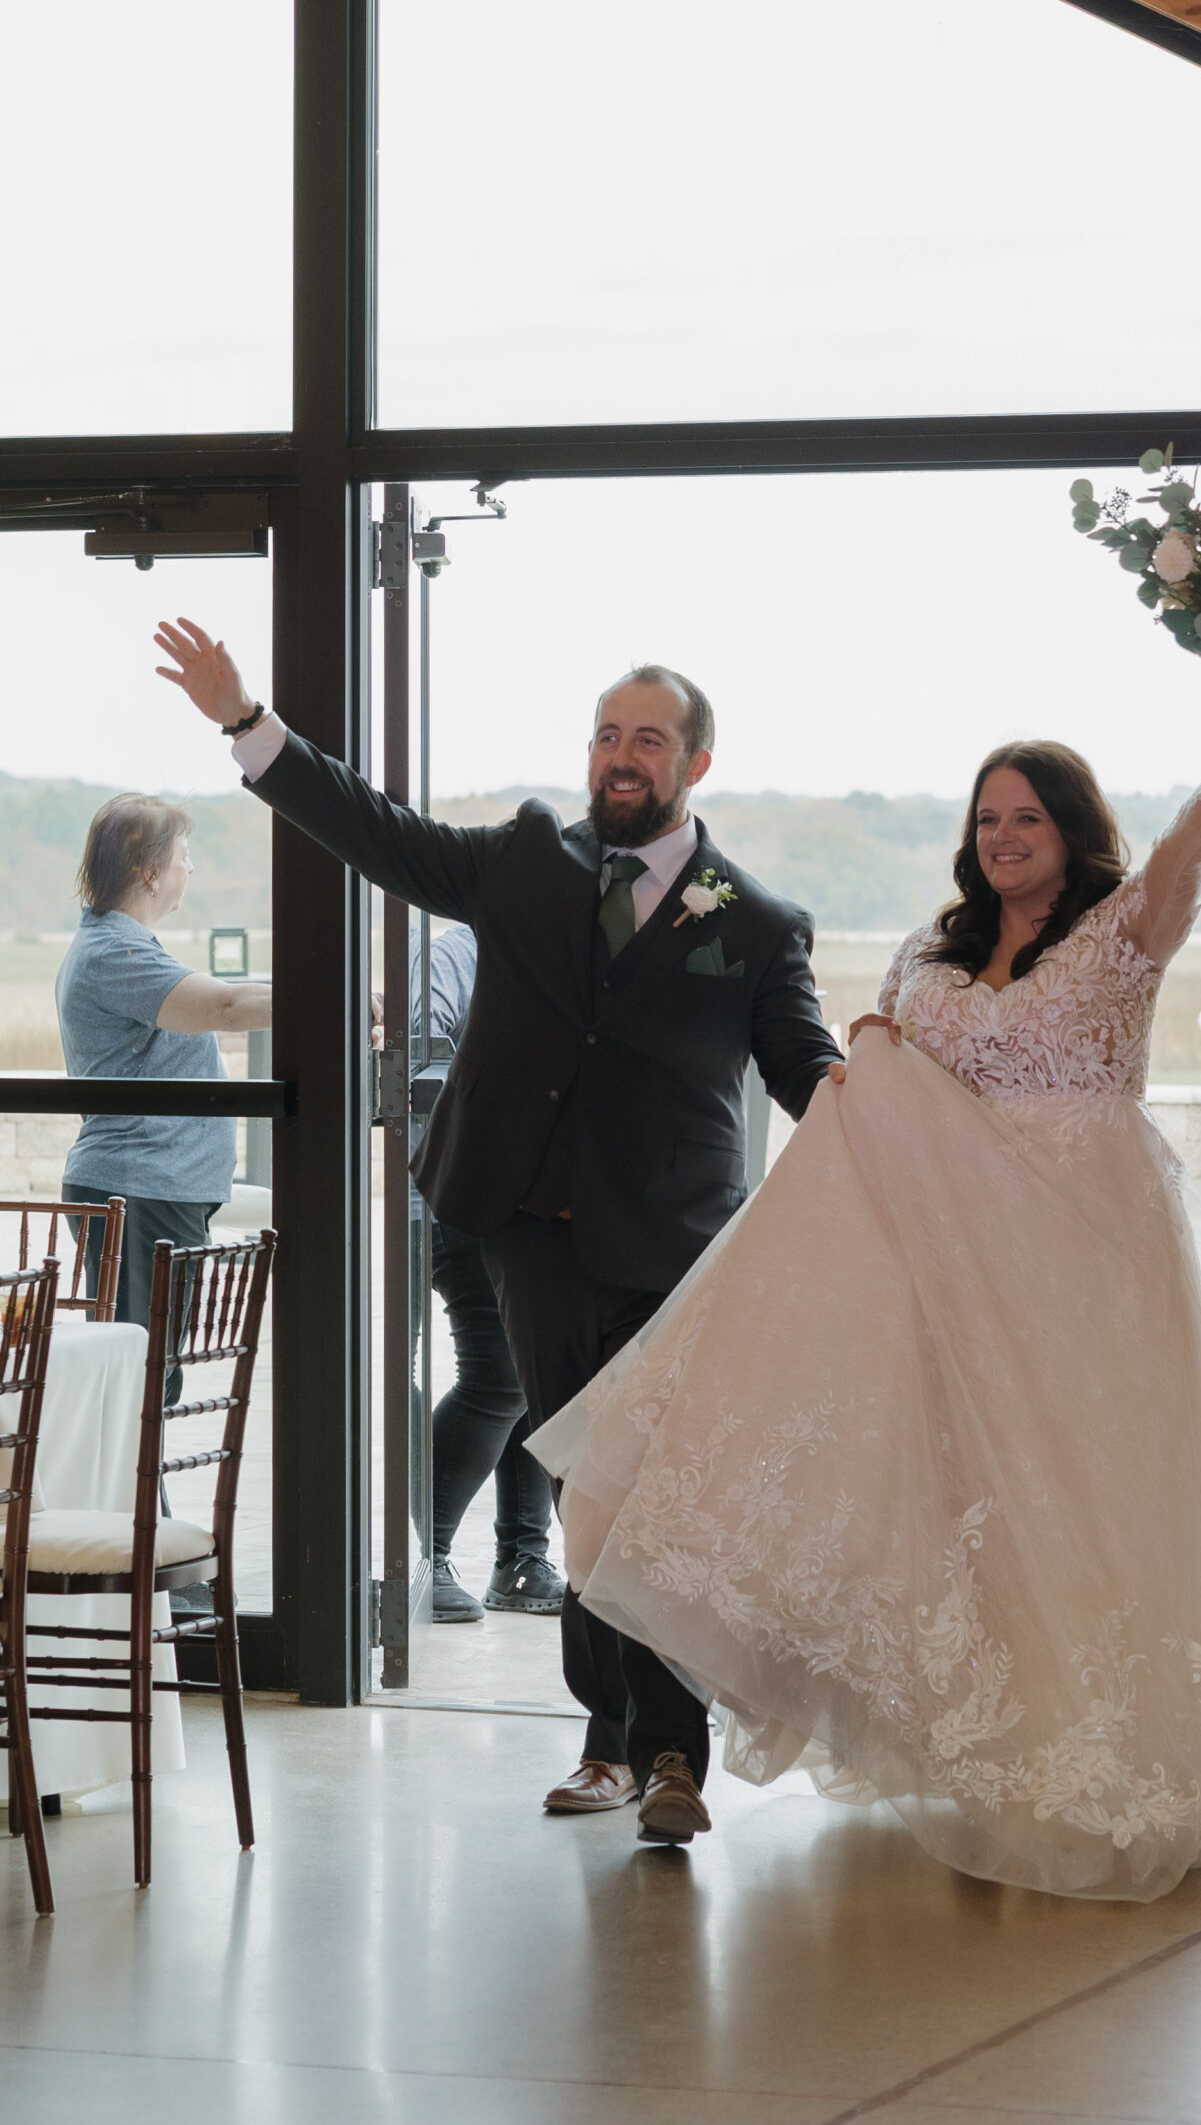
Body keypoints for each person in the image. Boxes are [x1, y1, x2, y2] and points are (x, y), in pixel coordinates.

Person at [530, 659, 1201, 1900]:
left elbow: (1191, 845)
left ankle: (1109, 1756)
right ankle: (986, 1751)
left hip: (1088, 1269)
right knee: (968, 1506)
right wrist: (870, 1060)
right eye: (987, 817)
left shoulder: (1123, 933)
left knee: (1084, 1504)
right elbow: (879, 1080)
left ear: (1072, 830)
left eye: (1028, 816)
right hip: (953, 1276)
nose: (1004, 836)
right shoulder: (932, 947)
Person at [152, 616, 840, 1844]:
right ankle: (613, 1743)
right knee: (591, 1494)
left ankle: (661, 1753)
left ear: (696, 763)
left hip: (676, 1250)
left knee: (658, 1499)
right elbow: (380, 833)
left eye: (649, 738)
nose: (621, 755)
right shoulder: (527, 859)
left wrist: (877, 1104)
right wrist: (249, 724)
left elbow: (802, 1065)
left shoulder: (757, 921)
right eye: (608, 733)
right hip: (534, 1236)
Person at [58, 794, 271, 1357]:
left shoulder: (120, 947)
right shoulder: (116, 954)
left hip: (151, 1188)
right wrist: (339, 1002)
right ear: (149, 871)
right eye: (184, 855)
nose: (191, 868)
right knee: (143, 1374)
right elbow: (226, 1007)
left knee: (151, 1370)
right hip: (139, 1187)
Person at [410, 921, 566, 1624]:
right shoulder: (458, 952)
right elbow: (421, 1049)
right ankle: (425, 1560)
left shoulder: (555, 952)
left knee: (534, 1377)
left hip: (535, 1200)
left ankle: (522, 1560)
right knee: (499, 1376)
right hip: (461, 1192)